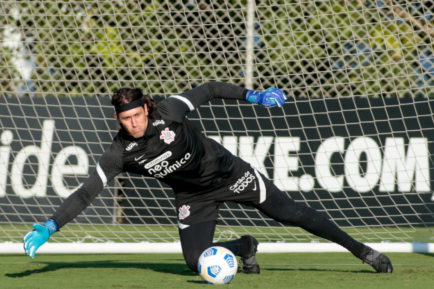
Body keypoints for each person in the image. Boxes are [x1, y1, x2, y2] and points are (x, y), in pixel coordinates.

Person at [23, 82, 393, 274]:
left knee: (293, 214)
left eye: (137, 115)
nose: (132, 123)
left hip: (229, 174)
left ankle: (364, 252)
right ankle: (244, 247)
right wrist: (50, 225)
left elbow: (211, 90)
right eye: (125, 119)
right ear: (118, 120)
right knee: (195, 260)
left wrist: (254, 96)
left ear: (147, 108)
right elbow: (87, 193)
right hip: (191, 197)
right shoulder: (119, 152)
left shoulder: (170, 109)